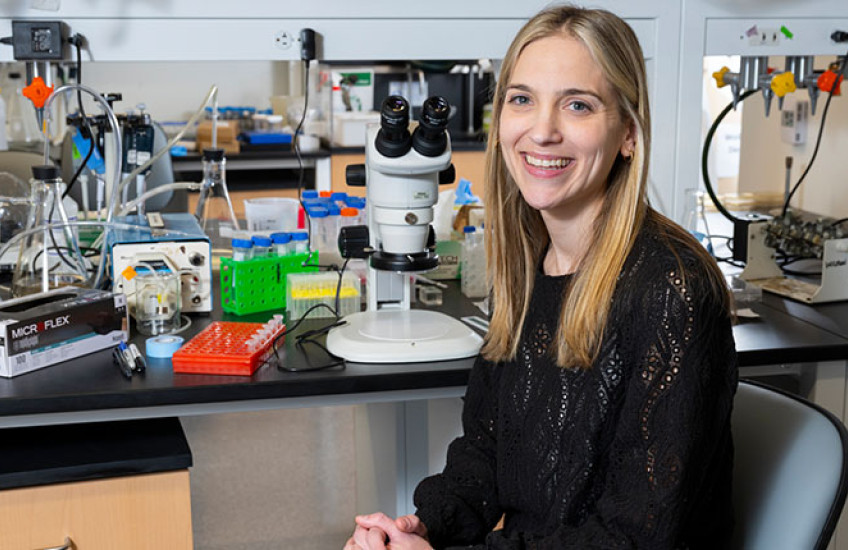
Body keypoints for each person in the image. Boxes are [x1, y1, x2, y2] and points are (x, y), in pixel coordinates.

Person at [345, 4, 738, 549]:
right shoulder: (530, 267)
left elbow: (633, 539)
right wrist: (422, 526)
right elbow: (484, 452)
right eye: (522, 100)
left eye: (578, 104)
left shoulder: (671, 289)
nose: (542, 131)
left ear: (627, 132)